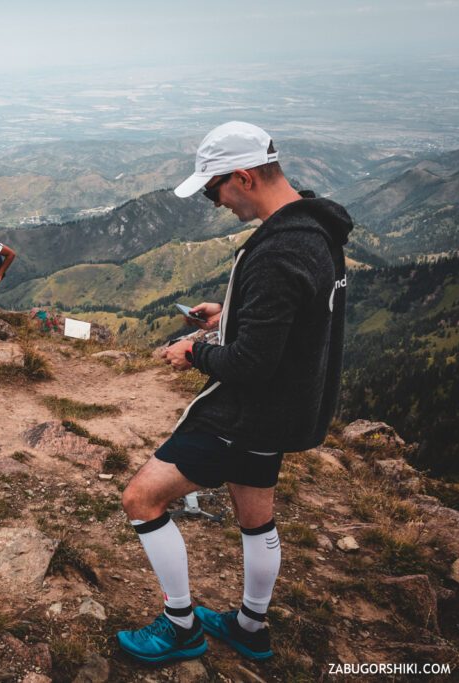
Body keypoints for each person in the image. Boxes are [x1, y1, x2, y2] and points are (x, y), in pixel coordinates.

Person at [116, 122, 352, 664]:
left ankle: (181, 629)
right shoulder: (318, 231)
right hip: (286, 411)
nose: (214, 201)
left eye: (213, 189)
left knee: (141, 498)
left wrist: (192, 352)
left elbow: (249, 363)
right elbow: (299, 322)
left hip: (245, 415)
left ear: (243, 176)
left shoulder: (280, 249)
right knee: (256, 518)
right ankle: (249, 626)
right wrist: (233, 315)